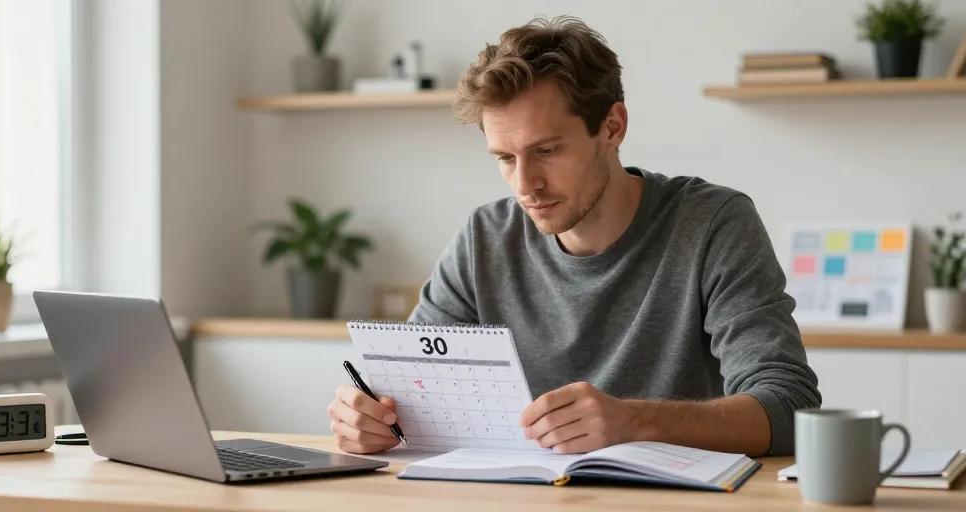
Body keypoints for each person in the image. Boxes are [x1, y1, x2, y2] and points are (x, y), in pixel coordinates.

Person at [327, 15, 821, 457]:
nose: (525, 184)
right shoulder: (484, 238)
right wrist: (370, 419)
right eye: (505, 158)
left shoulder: (712, 223)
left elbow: (789, 406)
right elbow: (411, 395)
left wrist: (634, 420)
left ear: (612, 127)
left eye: (546, 151)